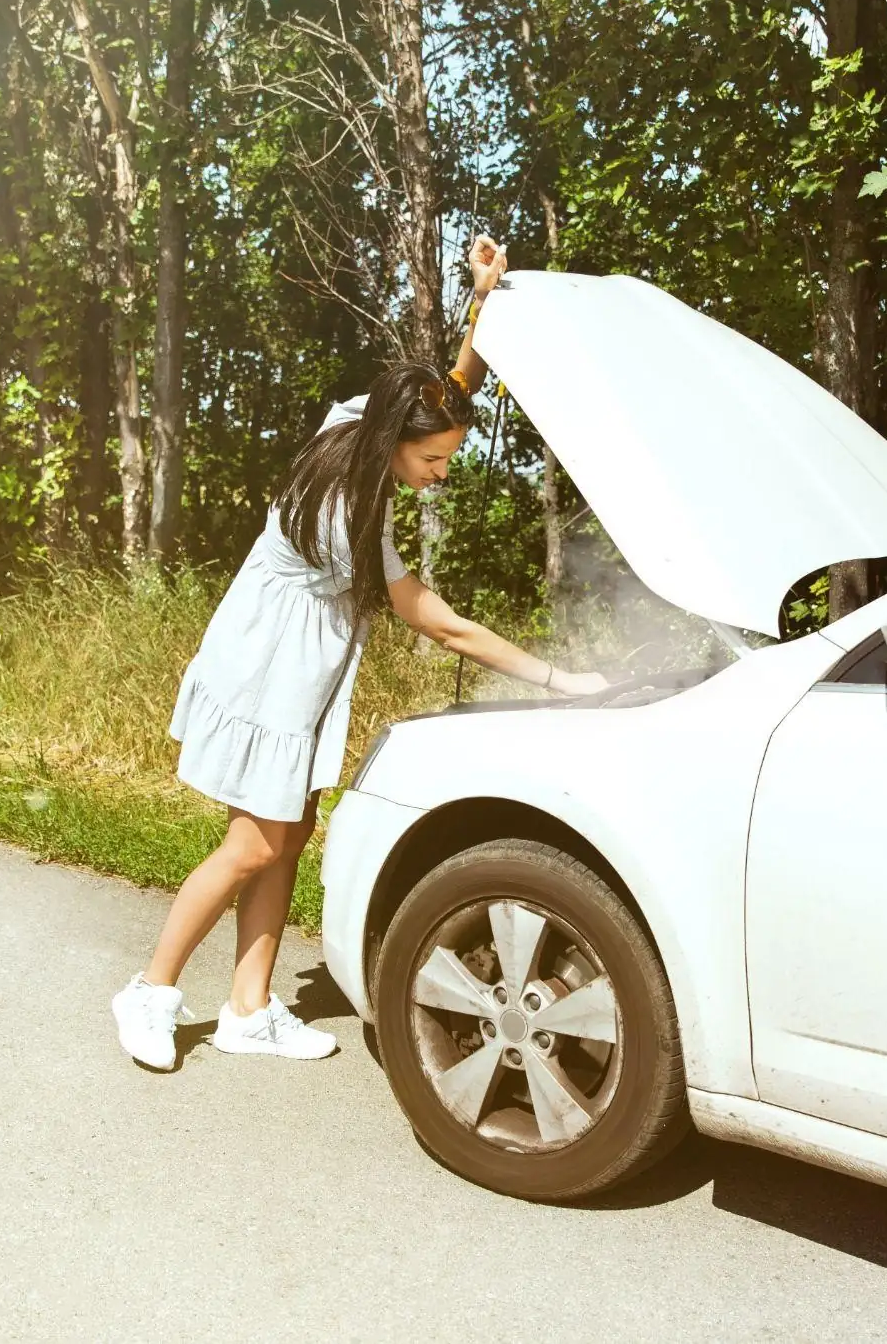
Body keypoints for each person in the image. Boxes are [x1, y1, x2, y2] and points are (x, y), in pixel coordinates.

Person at [111, 236, 607, 1068]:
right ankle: (150, 991)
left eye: (446, 454)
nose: (442, 471)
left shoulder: (365, 418)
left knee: (289, 828)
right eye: (433, 460)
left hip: (297, 667)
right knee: (254, 843)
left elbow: (449, 390)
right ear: (394, 446)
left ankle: (248, 1007)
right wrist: (558, 678)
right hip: (266, 664)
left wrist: (483, 300)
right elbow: (441, 623)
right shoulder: (345, 509)